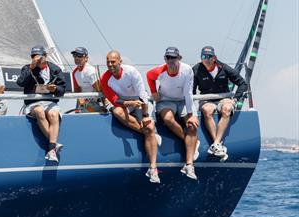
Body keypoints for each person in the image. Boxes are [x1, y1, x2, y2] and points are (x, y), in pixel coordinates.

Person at [100, 51, 162, 184]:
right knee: (118, 112)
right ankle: (149, 134)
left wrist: (145, 115)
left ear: (120, 62)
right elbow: (114, 100)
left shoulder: (131, 72)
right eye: (108, 62)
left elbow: (142, 95)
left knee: (149, 125)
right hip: (125, 103)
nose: (110, 65)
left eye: (113, 62)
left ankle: (153, 168)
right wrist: (129, 103)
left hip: (140, 100)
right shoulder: (105, 78)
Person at [147, 47, 200, 180]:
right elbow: (149, 76)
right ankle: (191, 143)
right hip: (165, 100)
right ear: (165, 59)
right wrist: (153, 91)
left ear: (179, 58)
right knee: (168, 119)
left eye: (173, 58)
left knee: (192, 125)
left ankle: (189, 165)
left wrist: (192, 114)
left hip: (183, 100)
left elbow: (188, 93)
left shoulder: (187, 70)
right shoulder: (160, 70)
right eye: (168, 58)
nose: (170, 61)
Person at [193, 45, 249, 161]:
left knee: (227, 109)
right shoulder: (196, 69)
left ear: (214, 58)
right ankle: (217, 145)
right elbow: (191, 90)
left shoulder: (224, 68)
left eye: (209, 57)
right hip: (206, 99)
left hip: (224, 98)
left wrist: (235, 99)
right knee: (207, 110)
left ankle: (216, 144)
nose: (206, 59)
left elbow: (242, 83)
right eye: (203, 56)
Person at [17, 46, 67, 162]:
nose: (37, 59)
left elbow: (62, 89)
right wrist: (31, 68)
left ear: (46, 56)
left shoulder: (55, 69)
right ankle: (53, 145)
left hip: (49, 102)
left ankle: (51, 148)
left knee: (54, 114)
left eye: (40, 57)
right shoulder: (27, 68)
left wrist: (54, 89)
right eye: (34, 57)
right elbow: (20, 83)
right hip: (33, 103)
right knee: (39, 111)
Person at [70, 47, 107, 113]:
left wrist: (104, 106)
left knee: (85, 114)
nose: (76, 58)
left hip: (95, 102)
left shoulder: (90, 71)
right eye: (74, 56)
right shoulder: (74, 73)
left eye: (79, 56)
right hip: (83, 101)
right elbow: (77, 90)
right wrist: (80, 99)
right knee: (77, 116)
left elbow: (100, 89)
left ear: (86, 58)